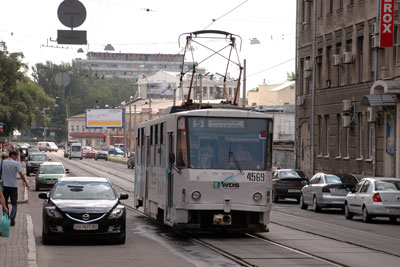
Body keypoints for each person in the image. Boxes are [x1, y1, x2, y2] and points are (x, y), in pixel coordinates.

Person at [0, 150, 29, 226]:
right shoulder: (16, 164)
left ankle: (6, 218)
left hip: (5, 186)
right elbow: (21, 174)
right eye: (16, 156)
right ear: (12, 155)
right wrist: (26, 183)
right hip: (13, 186)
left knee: (5, 203)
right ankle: (12, 219)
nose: (17, 158)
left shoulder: (3, 162)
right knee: (14, 204)